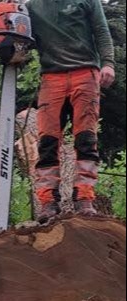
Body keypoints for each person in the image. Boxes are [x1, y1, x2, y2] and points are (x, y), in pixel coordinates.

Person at [27, 0, 116, 223]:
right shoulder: (31, 7)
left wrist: (108, 63)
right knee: (47, 141)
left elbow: (101, 32)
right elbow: (21, 39)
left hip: (85, 72)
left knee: (86, 138)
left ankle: (84, 197)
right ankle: (48, 202)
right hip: (51, 75)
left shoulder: (87, 1)